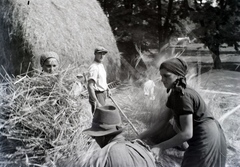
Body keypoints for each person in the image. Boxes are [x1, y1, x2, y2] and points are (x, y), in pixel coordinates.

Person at [139, 58, 227, 167]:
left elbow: (187, 133)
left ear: (178, 75)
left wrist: (160, 147)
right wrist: (140, 137)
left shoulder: (183, 96)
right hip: (208, 134)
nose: (162, 79)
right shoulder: (175, 94)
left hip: (206, 138)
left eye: (166, 76)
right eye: (161, 76)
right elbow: (162, 122)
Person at [82, 105, 156, 167]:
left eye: (95, 136)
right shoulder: (143, 149)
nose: (93, 138)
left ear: (103, 136)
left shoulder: (102, 159)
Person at [87, 46, 111, 114]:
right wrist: (96, 102)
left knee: (102, 116)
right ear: (95, 54)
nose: (102, 56)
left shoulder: (100, 65)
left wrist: (108, 89)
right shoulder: (94, 67)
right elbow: (90, 86)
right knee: (99, 118)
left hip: (103, 94)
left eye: (103, 54)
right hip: (97, 95)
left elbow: (102, 80)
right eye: (100, 53)